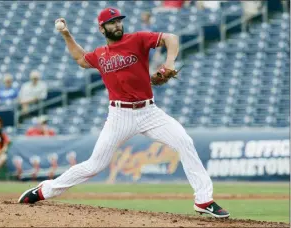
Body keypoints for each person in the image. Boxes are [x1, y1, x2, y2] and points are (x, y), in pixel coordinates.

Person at [18, 7, 230, 218]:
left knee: (184, 141)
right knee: (95, 165)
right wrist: (66, 34)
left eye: (119, 20)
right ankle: (45, 190)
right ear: (102, 28)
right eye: (112, 22)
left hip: (149, 111)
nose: (117, 24)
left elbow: (171, 38)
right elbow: (81, 60)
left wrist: (168, 63)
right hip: (119, 116)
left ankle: (204, 199)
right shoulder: (100, 54)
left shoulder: (136, 39)